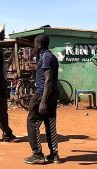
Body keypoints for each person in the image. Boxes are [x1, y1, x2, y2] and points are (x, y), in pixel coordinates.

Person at [24, 34, 60, 164]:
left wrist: (43, 101)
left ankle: (37, 154)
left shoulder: (46, 57)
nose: (34, 46)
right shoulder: (50, 56)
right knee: (49, 122)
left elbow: (48, 79)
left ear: (39, 45)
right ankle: (54, 154)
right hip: (51, 93)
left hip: (42, 94)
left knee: (32, 121)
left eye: (35, 43)